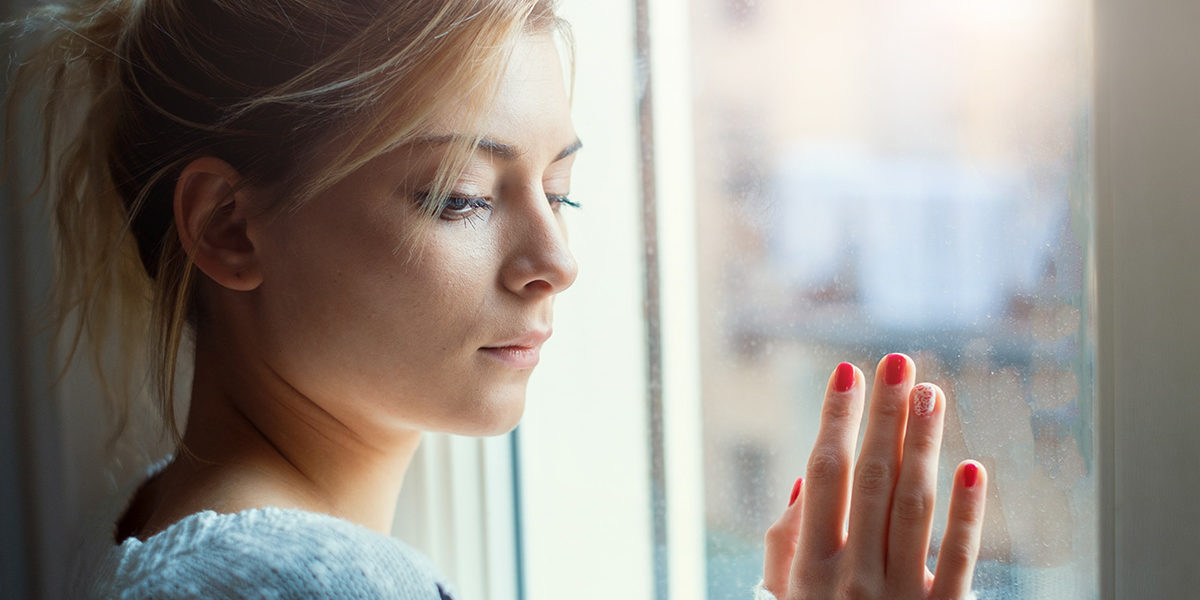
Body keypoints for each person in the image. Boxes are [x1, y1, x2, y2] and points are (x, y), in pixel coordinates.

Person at [5, 0, 988, 598]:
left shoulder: (150, 515)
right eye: (461, 197)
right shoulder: (311, 585)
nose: (555, 260)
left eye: (560, 189)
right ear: (228, 225)